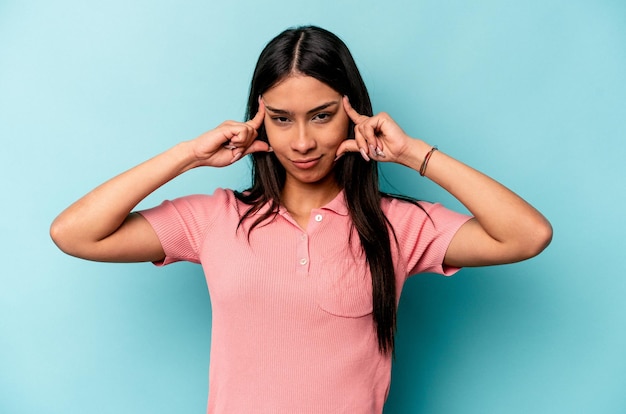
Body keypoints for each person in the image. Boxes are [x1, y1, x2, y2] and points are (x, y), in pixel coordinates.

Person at [50, 25, 552, 414]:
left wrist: (414, 154)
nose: (303, 142)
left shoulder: (395, 225)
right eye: (282, 118)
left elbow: (528, 235)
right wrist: (188, 156)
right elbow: (73, 233)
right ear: (258, 119)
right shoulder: (215, 219)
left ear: (353, 113)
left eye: (322, 115)